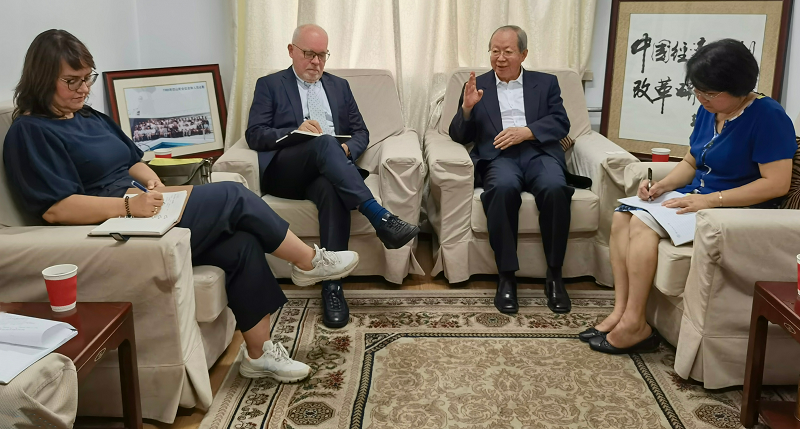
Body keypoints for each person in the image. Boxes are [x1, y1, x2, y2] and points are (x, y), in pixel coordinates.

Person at [3, 29, 361, 383]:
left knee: (242, 244)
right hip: (111, 229)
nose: (84, 88)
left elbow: (132, 160)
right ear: (43, 78)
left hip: (142, 210)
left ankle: (259, 355)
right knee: (232, 195)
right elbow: (56, 209)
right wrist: (127, 207)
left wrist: (153, 183)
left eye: (87, 78)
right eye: (72, 81)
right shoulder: (30, 132)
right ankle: (309, 262)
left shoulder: (89, 117)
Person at [582, 38, 796, 354]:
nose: (701, 98)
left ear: (740, 87)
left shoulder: (768, 116)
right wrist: (662, 185)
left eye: (710, 93)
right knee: (622, 215)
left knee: (641, 224)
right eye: (697, 90)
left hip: (734, 210)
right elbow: (692, 160)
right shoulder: (711, 109)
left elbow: (776, 184)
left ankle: (635, 325)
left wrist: (710, 200)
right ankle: (621, 312)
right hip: (698, 197)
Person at [245, 24, 420, 329]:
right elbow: (255, 134)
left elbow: (361, 131)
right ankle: (379, 217)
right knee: (324, 141)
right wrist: (295, 131)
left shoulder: (339, 86)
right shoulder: (270, 84)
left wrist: (347, 150)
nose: (316, 62)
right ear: (291, 51)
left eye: (322, 55)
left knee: (332, 187)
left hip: (328, 171)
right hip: (286, 171)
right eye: (309, 54)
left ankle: (332, 286)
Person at [449, 25, 586, 315]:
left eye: (508, 52)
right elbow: (459, 136)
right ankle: (506, 277)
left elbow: (561, 123)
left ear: (523, 54)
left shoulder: (546, 83)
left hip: (539, 153)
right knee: (502, 189)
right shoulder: (477, 85)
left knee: (554, 188)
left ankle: (555, 276)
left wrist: (527, 131)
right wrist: (467, 109)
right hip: (498, 157)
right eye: (495, 51)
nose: (500, 58)